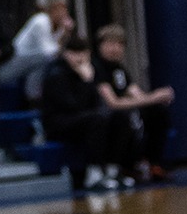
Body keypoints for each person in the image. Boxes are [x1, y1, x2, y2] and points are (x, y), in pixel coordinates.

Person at [40, 37, 125, 190]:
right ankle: (94, 173)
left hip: (81, 119)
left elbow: (93, 103)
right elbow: (74, 106)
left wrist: (88, 81)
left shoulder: (90, 70)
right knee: (96, 120)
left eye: (83, 53)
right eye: (74, 53)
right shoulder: (56, 74)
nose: (79, 57)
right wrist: (86, 81)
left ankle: (113, 170)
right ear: (66, 54)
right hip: (58, 124)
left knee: (118, 117)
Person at [92, 25, 173, 182]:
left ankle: (153, 162)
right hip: (106, 116)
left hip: (123, 111)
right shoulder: (97, 67)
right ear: (100, 45)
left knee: (157, 111)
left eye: (119, 44)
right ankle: (124, 165)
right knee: (125, 118)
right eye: (110, 43)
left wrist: (156, 98)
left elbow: (138, 95)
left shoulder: (120, 70)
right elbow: (112, 103)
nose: (114, 49)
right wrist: (153, 97)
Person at [2, 0, 75, 105]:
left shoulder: (59, 27)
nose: (63, 15)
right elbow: (49, 52)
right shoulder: (40, 21)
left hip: (35, 62)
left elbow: (57, 51)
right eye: (59, 10)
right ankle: (32, 97)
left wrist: (65, 34)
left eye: (65, 11)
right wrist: (64, 33)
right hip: (17, 59)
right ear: (52, 10)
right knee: (44, 59)